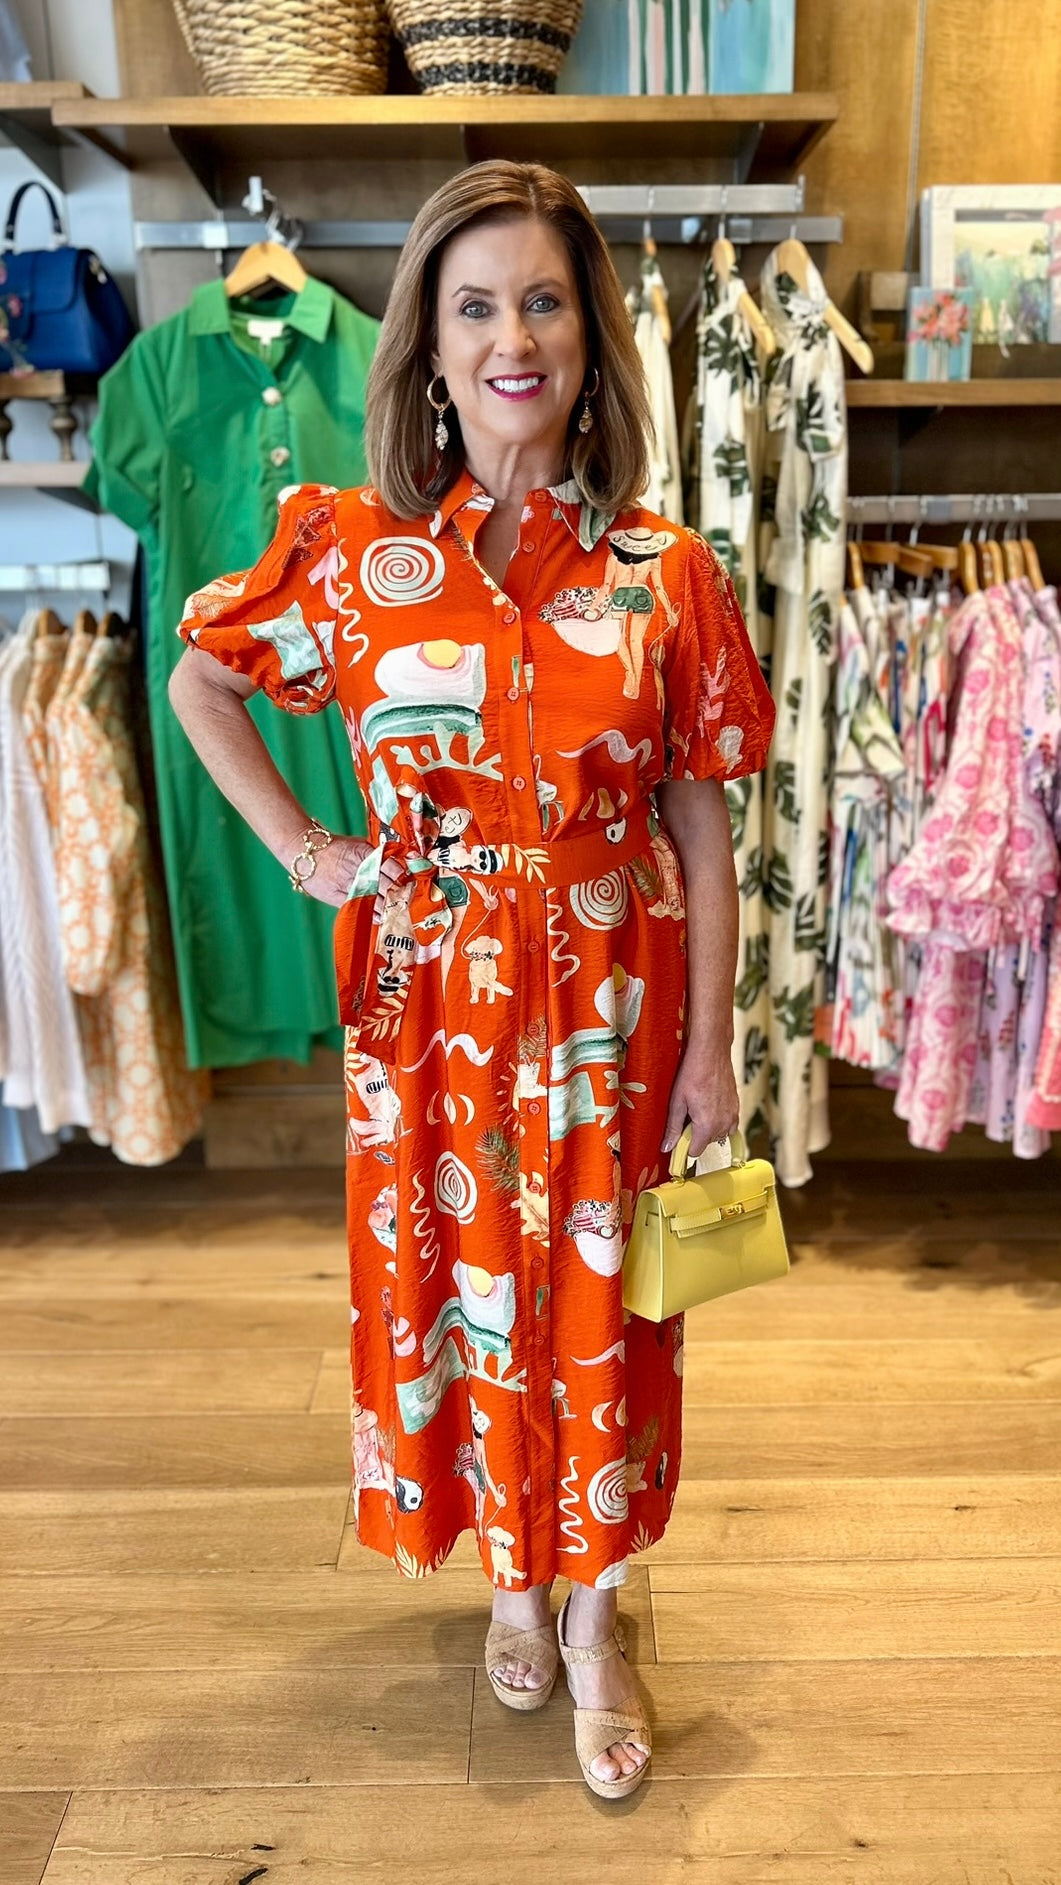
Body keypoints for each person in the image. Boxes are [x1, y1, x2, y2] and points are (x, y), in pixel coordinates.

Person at [169, 160, 775, 1802]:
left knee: (607, 1311)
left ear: (589, 339)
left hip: (613, 1007)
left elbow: (699, 823)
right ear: (429, 349)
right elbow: (201, 682)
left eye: (545, 302)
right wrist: (311, 852)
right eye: (477, 306)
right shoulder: (350, 551)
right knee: (468, 1293)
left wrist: (710, 1050)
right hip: (428, 1009)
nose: (515, 338)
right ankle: (513, 1575)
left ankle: (593, 1610)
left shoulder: (665, 571)